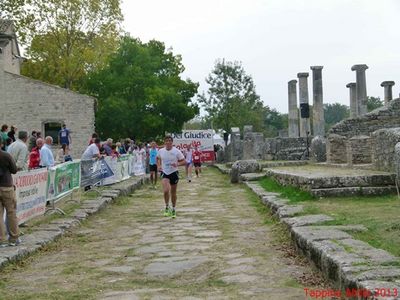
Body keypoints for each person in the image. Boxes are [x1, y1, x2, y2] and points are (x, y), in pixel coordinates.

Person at [157, 135, 186, 218]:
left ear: (172, 142)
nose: (168, 142)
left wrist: (177, 164)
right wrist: (159, 166)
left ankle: (173, 208)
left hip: (174, 172)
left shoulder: (176, 151)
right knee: (166, 190)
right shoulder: (161, 151)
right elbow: (158, 158)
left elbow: (184, 161)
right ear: (164, 142)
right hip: (165, 172)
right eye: (167, 141)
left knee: (173, 192)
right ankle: (166, 207)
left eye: (170, 141)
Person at [0, 135, 20, 247]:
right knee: (11, 212)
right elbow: (14, 170)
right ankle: (14, 238)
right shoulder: (6, 155)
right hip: (7, 186)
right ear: (2, 144)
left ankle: (1, 239)